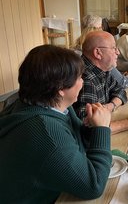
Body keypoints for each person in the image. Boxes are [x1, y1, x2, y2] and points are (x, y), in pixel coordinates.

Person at [0, 45, 112, 203]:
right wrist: (102, 129)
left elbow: (75, 142)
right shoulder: (45, 132)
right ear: (60, 88)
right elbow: (93, 186)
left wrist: (90, 127)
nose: (82, 82)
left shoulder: (47, 104)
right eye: (80, 77)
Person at [73, 30, 128, 134]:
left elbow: (121, 91)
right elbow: (89, 130)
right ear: (98, 53)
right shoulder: (86, 79)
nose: (118, 52)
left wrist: (110, 106)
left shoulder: (103, 68)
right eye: (113, 48)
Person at [72, 14, 128, 89]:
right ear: (99, 28)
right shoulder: (101, 51)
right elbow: (123, 83)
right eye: (101, 27)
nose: (117, 52)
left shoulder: (76, 48)